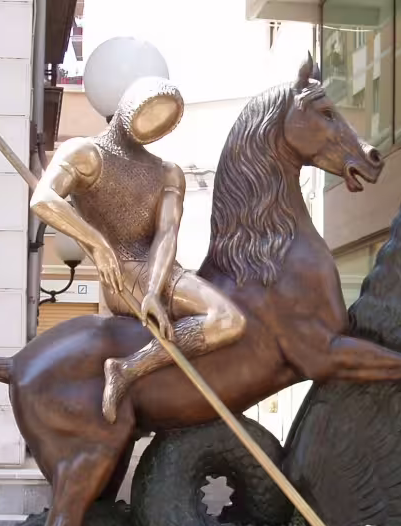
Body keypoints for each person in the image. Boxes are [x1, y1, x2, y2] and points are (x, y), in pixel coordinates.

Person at [29, 76, 246, 422]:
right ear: (128, 107)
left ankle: (132, 367)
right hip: (122, 270)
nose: (154, 125)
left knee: (228, 318)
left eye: (163, 121)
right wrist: (97, 243)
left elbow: (166, 234)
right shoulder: (86, 154)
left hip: (160, 272)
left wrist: (154, 291)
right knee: (228, 319)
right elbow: (43, 198)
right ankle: (125, 369)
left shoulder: (168, 172)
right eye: (149, 112)